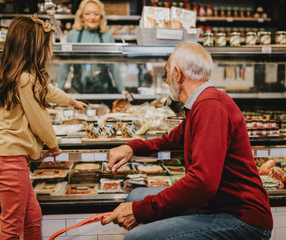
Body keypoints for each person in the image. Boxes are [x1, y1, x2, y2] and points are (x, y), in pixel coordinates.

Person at [101, 41, 273, 240]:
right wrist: (131, 147)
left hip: (242, 218)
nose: (166, 81)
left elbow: (202, 184)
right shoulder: (200, 104)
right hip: (215, 204)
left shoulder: (210, 107)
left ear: (177, 73)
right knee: (135, 196)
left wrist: (142, 210)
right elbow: (168, 141)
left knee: (137, 238)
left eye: (166, 73)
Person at [0, 14, 87, 240]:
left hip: (8, 156)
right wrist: (53, 146)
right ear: (34, 48)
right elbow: (39, 118)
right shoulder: (26, 79)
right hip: (9, 156)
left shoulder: (23, 76)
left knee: (32, 217)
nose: (51, 52)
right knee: (11, 227)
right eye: (48, 47)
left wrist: (70, 101)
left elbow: (48, 91)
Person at [57, 0, 124, 93]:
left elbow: (114, 65)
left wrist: (122, 90)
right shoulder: (73, 34)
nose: (92, 17)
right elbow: (65, 65)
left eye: (96, 14)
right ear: (81, 16)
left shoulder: (107, 35)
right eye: (87, 14)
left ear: (101, 17)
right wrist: (59, 90)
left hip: (103, 91)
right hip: (78, 90)